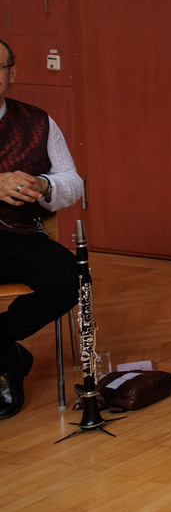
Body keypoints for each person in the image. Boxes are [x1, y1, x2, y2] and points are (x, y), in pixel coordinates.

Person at [0, 39, 84, 420]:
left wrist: (44, 185)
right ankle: (7, 361)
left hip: (19, 235)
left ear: (11, 74)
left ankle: (2, 344)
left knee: (70, 278)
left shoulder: (38, 121)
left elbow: (73, 183)